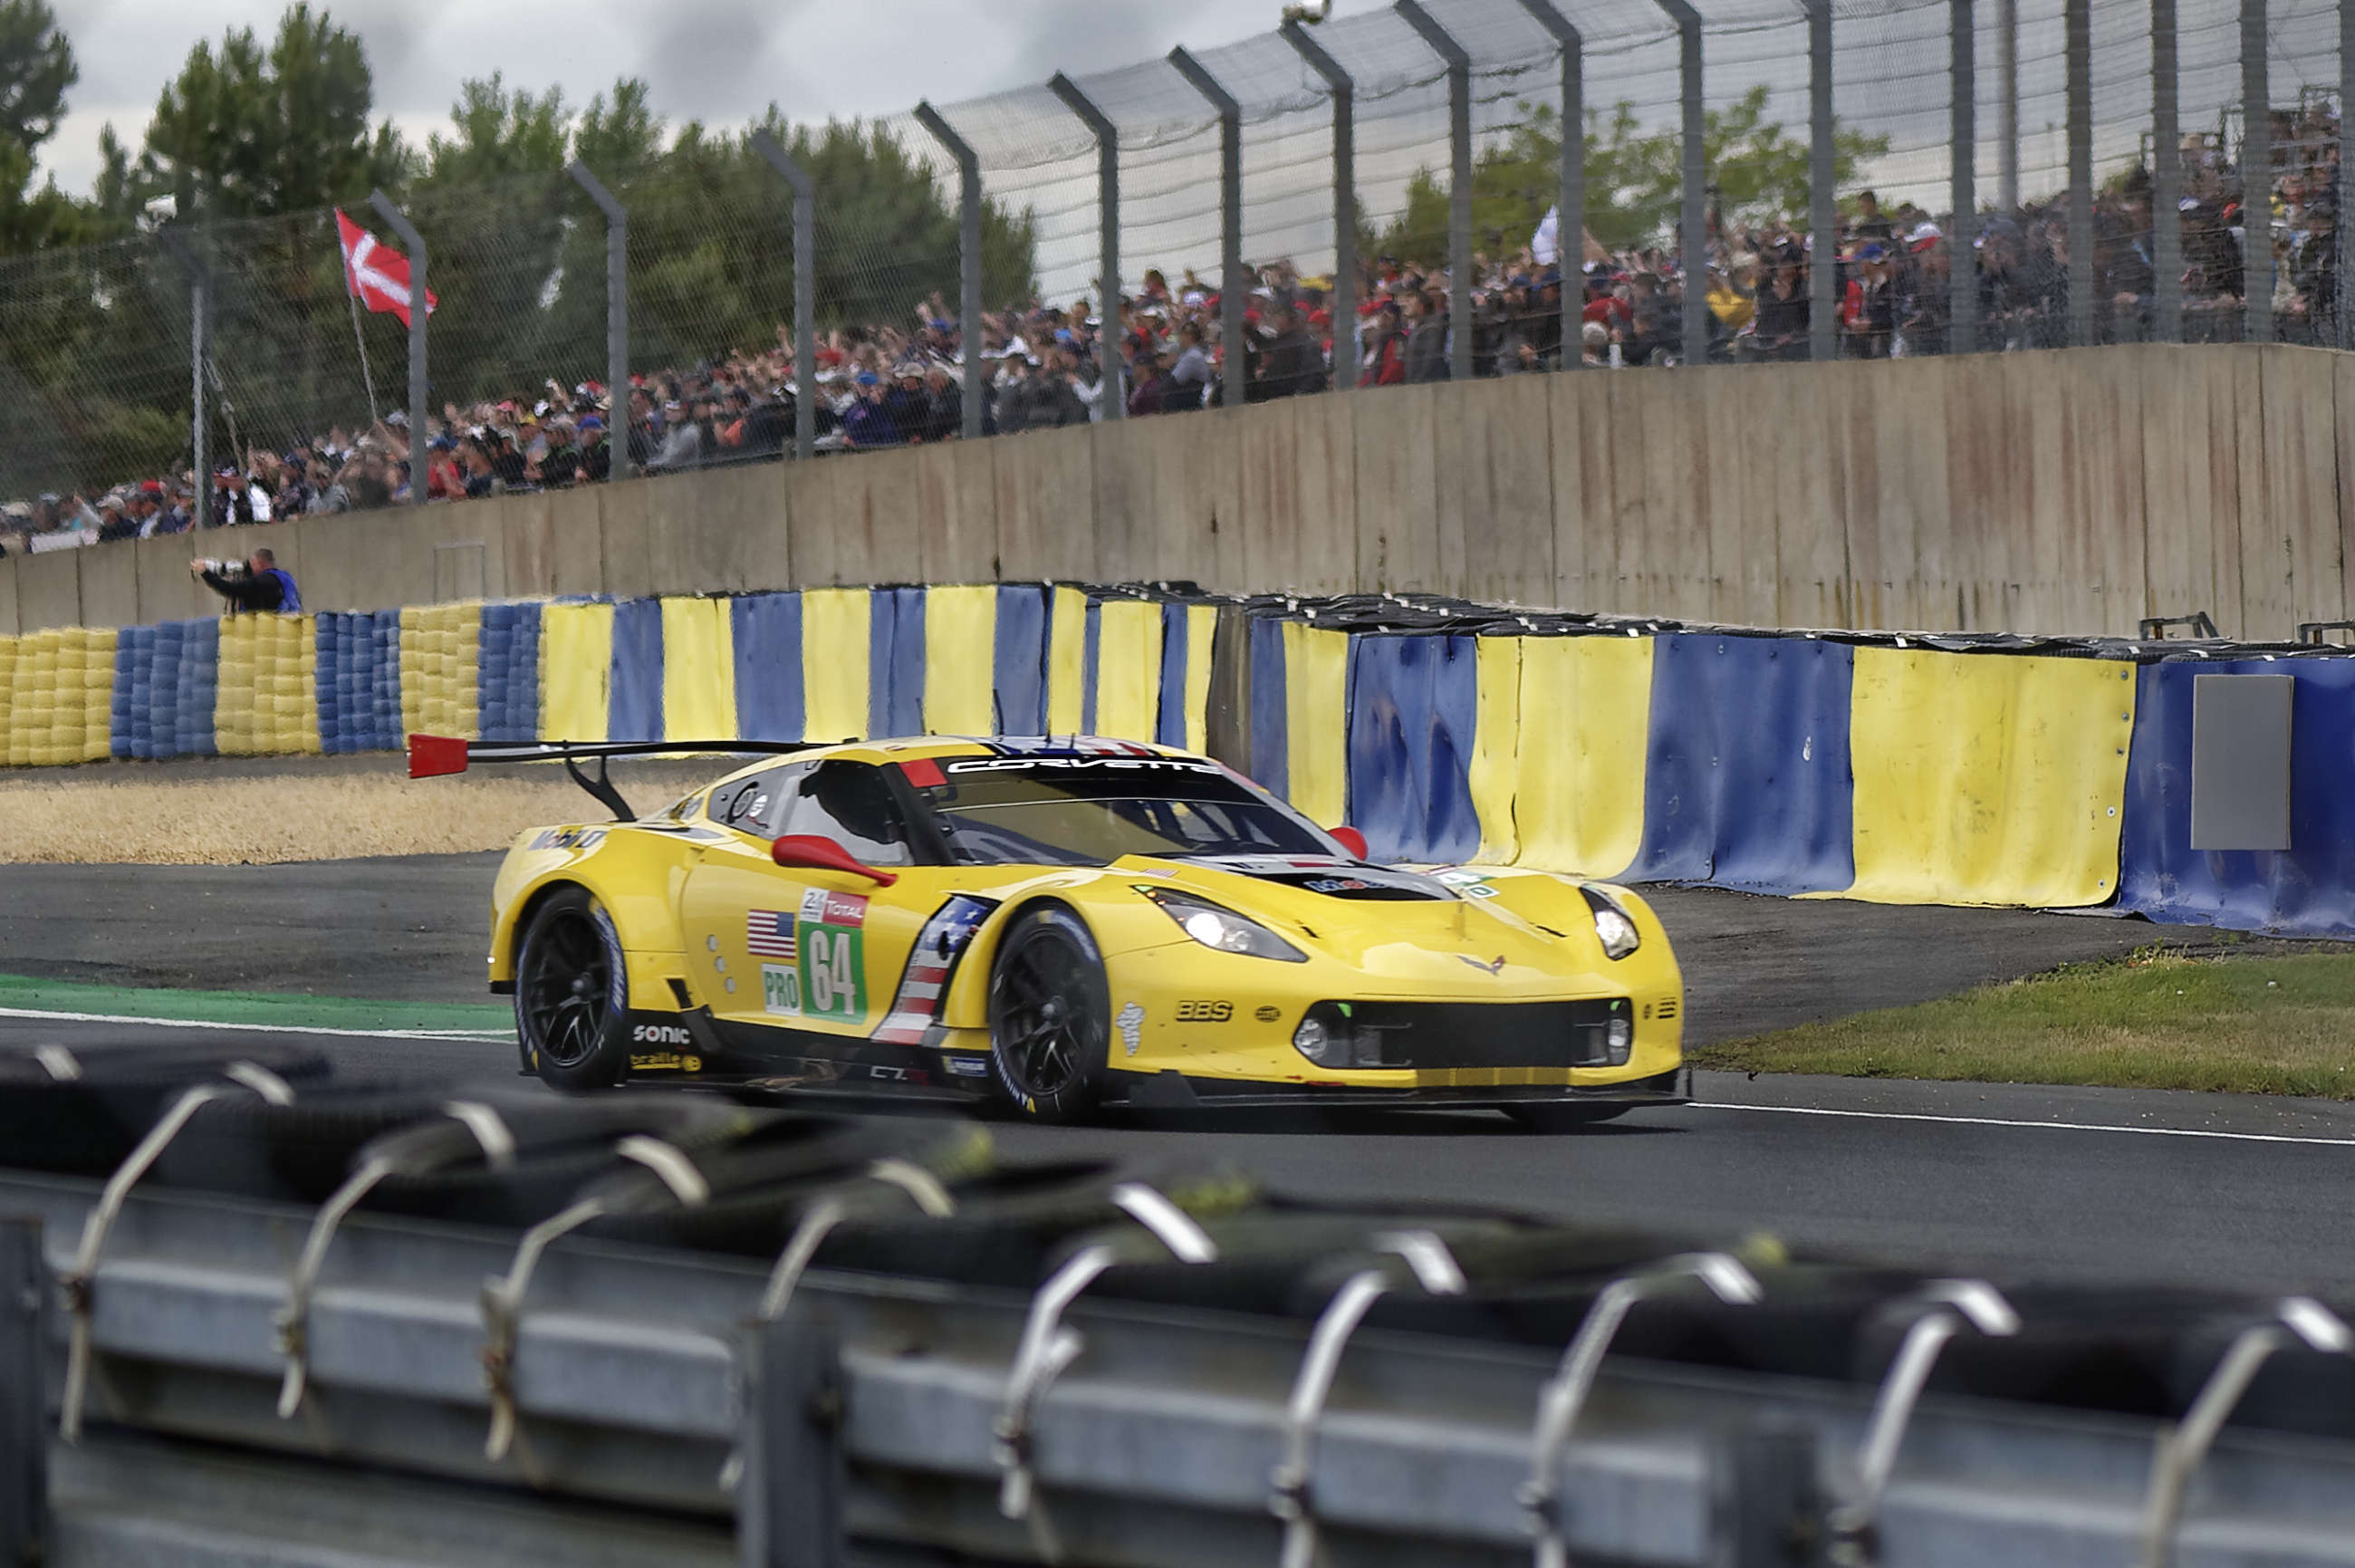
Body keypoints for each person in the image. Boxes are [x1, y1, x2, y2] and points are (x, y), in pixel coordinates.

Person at [193, 547, 301, 614]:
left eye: (252, 564)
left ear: (261, 563)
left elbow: (230, 589)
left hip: (268, 634)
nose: (251, 569)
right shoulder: (285, 578)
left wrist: (205, 573)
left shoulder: (260, 582)